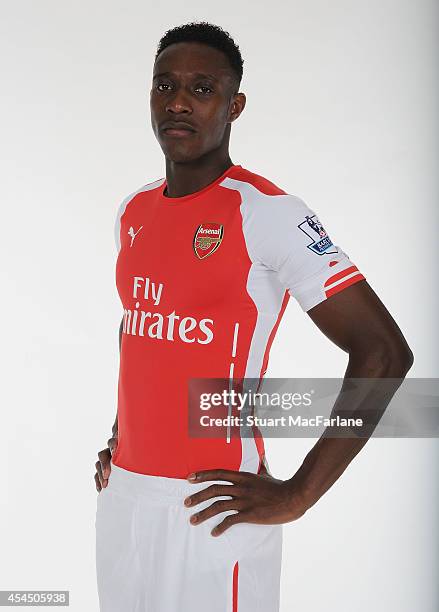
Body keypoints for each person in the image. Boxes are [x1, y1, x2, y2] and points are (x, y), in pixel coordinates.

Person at [94, 21, 413, 612]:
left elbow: (385, 352)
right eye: (164, 85)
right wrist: (125, 433)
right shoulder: (133, 210)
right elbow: (141, 324)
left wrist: (296, 496)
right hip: (124, 500)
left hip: (211, 510)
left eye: (202, 88)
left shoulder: (268, 213)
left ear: (234, 105)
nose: (179, 102)